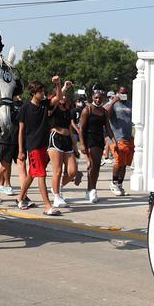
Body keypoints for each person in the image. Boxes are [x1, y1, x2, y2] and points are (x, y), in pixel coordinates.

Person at [17, 76, 65, 216]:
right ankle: (47, 206)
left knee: (33, 173)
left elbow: (58, 97)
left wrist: (58, 84)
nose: (43, 94)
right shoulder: (25, 108)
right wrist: (21, 150)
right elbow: (21, 131)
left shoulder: (45, 104)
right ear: (33, 93)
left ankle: (20, 198)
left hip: (45, 145)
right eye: (40, 92)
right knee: (41, 175)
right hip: (33, 146)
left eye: (43, 91)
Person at [79, 89, 116, 204]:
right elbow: (81, 129)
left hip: (99, 140)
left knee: (95, 167)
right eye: (96, 97)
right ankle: (92, 190)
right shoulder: (87, 110)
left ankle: (89, 190)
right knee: (93, 166)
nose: (98, 99)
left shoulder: (104, 112)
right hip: (90, 140)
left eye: (100, 98)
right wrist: (83, 144)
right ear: (92, 98)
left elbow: (108, 128)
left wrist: (114, 141)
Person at [47, 79, 78, 209]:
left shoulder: (67, 110)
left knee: (72, 171)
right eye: (61, 95)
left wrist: (75, 144)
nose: (63, 97)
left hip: (67, 141)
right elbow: (57, 97)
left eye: (65, 96)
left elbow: (70, 128)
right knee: (58, 170)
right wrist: (62, 86)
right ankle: (56, 197)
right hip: (55, 138)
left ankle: (56, 188)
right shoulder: (52, 108)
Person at [106, 86, 133, 196]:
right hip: (117, 137)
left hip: (128, 137)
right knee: (118, 162)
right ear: (117, 93)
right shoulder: (113, 104)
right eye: (121, 93)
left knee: (125, 163)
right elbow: (106, 114)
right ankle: (113, 182)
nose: (123, 95)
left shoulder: (130, 104)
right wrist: (113, 101)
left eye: (125, 93)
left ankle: (120, 184)